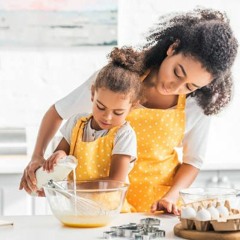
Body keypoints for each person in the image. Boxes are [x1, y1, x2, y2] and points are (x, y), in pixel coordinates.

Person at [19, 8, 238, 214]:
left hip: (155, 209)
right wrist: (38, 157)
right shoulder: (119, 79)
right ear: (173, 48)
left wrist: (170, 197)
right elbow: (57, 113)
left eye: (190, 86)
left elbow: (193, 161)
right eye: (177, 72)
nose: (176, 87)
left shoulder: (197, 104)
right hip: (99, 205)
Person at [38, 47, 143, 194]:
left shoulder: (124, 135)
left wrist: (70, 189)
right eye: (100, 107)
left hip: (108, 212)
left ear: (133, 106)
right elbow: (63, 150)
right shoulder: (76, 123)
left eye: (118, 112)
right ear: (93, 94)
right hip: (73, 208)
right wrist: (60, 156)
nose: (107, 117)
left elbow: (115, 183)